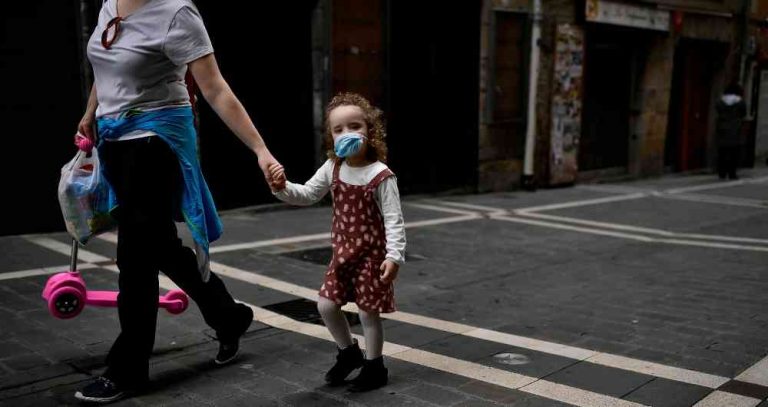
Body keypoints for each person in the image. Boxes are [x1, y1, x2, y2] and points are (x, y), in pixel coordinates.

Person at [74, 0, 282, 403]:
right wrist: (90, 111)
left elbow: (216, 88)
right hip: (114, 140)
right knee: (160, 247)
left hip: (157, 143)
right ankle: (229, 316)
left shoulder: (177, 12)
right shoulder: (109, 3)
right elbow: (107, 64)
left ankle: (127, 370)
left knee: (134, 258)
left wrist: (261, 150)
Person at [269, 93, 406, 391]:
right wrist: (282, 188)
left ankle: (375, 367)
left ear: (370, 130)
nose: (347, 133)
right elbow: (306, 194)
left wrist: (394, 256)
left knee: (368, 312)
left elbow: (394, 220)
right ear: (331, 136)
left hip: (372, 256)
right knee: (326, 305)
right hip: (343, 254)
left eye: (355, 126)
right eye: (338, 129)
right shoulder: (332, 167)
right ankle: (349, 353)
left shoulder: (380, 175)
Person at [715, 82, 748, 180]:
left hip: (722, 128)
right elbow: (743, 113)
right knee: (734, 153)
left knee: (722, 152)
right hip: (735, 128)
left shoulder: (720, 101)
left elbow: (717, 110)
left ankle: (722, 172)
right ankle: (732, 173)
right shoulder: (740, 102)